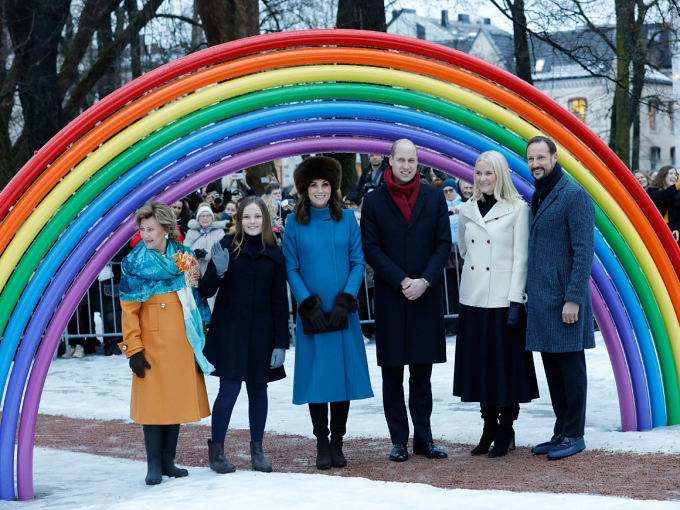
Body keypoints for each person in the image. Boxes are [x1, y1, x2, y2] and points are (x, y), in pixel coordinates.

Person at [361, 139, 452, 462]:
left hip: (425, 297)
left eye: (411, 160)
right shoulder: (373, 201)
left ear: (417, 162)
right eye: (401, 160)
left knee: (422, 374)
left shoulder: (433, 196)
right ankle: (398, 439)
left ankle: (424, 439)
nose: (406, 165)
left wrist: (425, 280)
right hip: (392, 296)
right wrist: (402, 280)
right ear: (391, 161)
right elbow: (371, 248)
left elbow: (443, 244)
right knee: (392, 374)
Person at [283, 156, 373, 470]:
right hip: (314, 315)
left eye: (324, 184)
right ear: (304, 190)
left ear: (332, 187)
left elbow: (357, 262)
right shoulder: (293, 223)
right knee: (318, 381)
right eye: (313, 185)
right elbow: (291, 268)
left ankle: (338, 443)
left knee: (341, 380)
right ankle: (322, 442)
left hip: (341, 313)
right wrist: (308, 304)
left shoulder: (348, 218)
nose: (319, 190)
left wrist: (347, 299)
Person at [119, 201, 213, 485]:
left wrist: (203, 335)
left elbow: (196, 298)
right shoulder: (134, 262)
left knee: (175, 400)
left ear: (166, 229)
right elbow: (128, 310)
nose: (146, 234)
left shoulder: (184, 256)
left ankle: (169, 461)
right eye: (142, 228)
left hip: (183, 340)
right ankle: (153, 464)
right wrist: (133, 348)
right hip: (151, 343)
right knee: (153, 405)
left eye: (151, 228)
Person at [453, 151, 539, 458]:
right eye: (478, 173)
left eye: (488, 173)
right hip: (474, 299)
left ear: (500, 175)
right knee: (480, 369)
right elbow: (464, 249)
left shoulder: (518, 209)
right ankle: (489, 425)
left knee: (506, 370)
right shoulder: (465, 209)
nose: (482, 179)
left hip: (504, 300)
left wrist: (517, 301)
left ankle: (506, 428)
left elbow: (521, 258)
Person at [200, 196, 289, 474]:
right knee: (229, 390)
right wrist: (220, 271)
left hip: (262, 333)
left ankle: (257, 451)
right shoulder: (225, 246)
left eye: (257, 217)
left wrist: (281, 342)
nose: (252, 222)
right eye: (247, 217)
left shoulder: (274, 252)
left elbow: (279, 301)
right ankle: (217, 453)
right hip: (229, 331)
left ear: (265, 219)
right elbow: (205, 290)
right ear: (239, 219)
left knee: (258, 390)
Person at [525, 136, 595, 460]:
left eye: (541, 157)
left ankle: (575, 434)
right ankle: (561, 430)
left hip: (565, 301)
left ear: (554, 158)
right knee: (553, 370)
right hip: (543, 299)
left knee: (570, 370)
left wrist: (574, 299)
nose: (535, 164)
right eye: (531, 159)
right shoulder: (538, 196)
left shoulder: (574, 195)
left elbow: (584, 253)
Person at [442, 178, 462, 336]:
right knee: (450, 290)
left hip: (462, 253)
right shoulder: (440, 207)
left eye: (451, 190)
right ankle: (452, 325)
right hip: (447, 253)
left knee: (464, 288)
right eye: (445, 191)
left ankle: (464, 322)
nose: (449, 193)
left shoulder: (465, 206)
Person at [183, 204, 226, 275]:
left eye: (208, 216)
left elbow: (221, 251)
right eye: (202, 216)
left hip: (213, 271)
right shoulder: (191, 232)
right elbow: (185, 250)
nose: (205, 218)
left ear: (212, 218)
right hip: (194, 271)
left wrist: (205, 254)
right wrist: (194, 253)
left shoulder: (219, 232)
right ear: (198, 218)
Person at [647, 165, 680, 245]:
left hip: (672, 234)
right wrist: (677, 185)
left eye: (675, 174)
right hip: (654, 233)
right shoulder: (651, 191)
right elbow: (660, 197)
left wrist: (676, 231)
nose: (674, 176)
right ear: (663, 175)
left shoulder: (677, 194)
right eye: (671, 173)